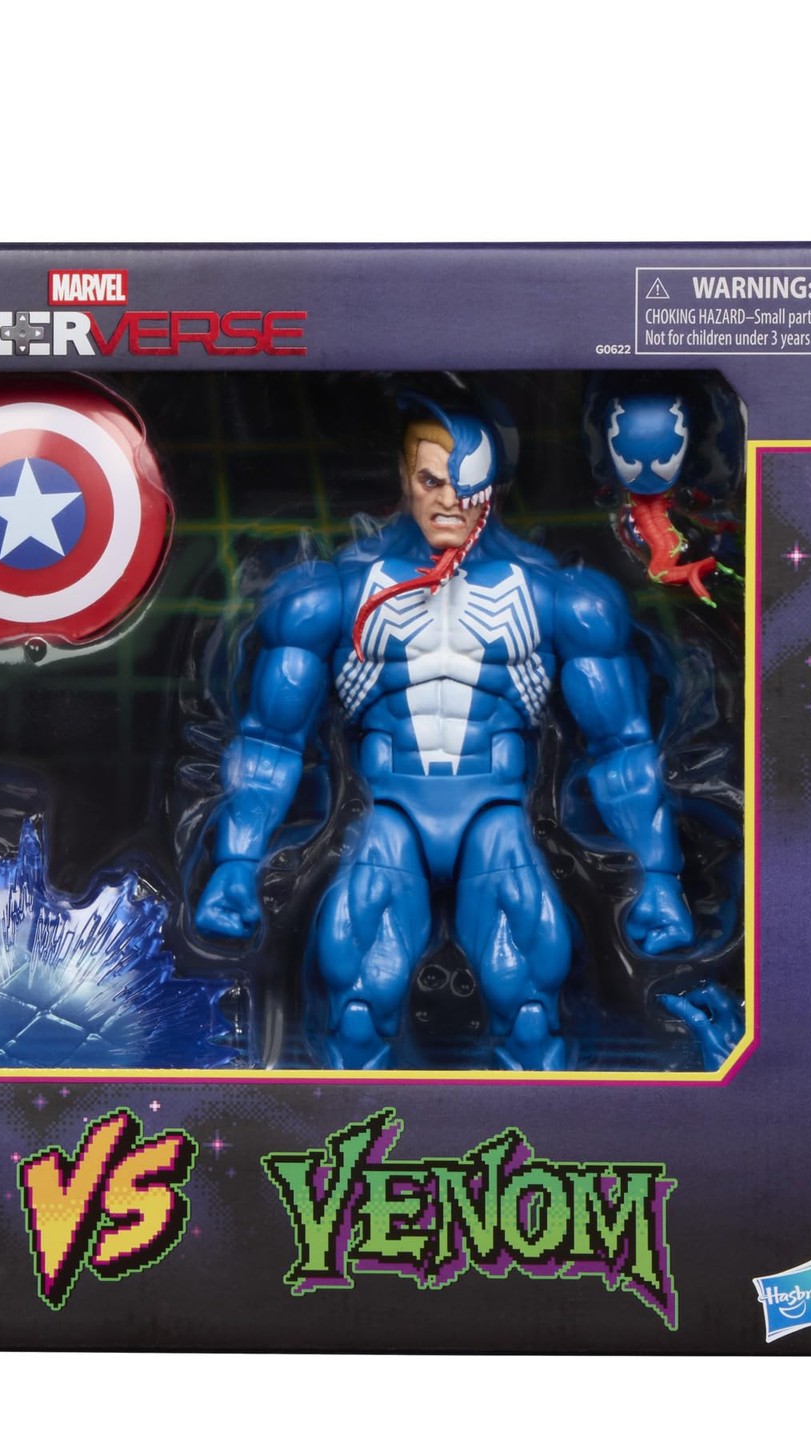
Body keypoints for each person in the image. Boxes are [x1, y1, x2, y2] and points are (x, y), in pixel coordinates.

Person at [193, 394, 693, 1070]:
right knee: (358, 1005)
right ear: (405, 479)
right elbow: (271, 741)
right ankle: (348, 1133)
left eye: (467, 485)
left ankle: (547, 1130)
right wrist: (236, 862)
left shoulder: (558, 599)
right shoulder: (333, 595)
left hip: (496, 815)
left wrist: (658, 875)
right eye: (431, 480)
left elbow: (621, 747)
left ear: (494, 485)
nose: (450, 501)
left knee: (529, 1007)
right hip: (391, 815)